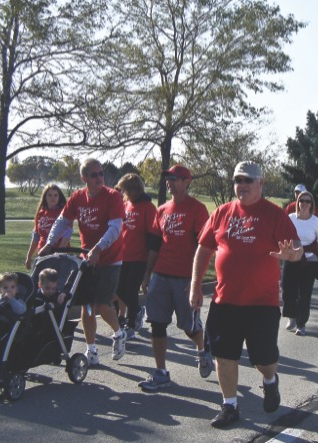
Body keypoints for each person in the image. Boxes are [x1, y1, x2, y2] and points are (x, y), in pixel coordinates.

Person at [189, 161, 303, 428]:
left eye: (248, 180)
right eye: (238, 180)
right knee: (224, 355)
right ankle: (230, 406)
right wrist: (195, 285)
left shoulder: (274, 214)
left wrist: (292, 255)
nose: (242, 185)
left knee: (263, 359)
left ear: (260, 184)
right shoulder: (221, 213)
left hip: (262, 303)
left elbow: (296, 246)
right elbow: (204, 249)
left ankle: (270, 380)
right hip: (225, 300)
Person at [39, 158, 126, 366]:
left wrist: (98, 248)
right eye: (94, 174)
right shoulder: (77, 198)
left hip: (110, 259)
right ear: (84, 178)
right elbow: (63, 221)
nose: (99, 178)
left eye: (101, 173)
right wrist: (50, 243)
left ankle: (118, 333)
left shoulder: (113, 197)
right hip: (87, 259)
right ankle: (91, 349)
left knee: (103, 305)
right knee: (87, 306)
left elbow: (115, 228)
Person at [139, 164, 212, 391]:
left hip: (185, 278)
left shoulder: (197, 210)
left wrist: (197, 281)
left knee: (188, 328)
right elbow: (154, 245)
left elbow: (205, 245)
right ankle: (161, 372)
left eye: (175, 178)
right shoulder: (162, 210)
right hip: (161, 274)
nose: (170, 182)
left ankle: (202, 348)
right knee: (157, 324)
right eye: (168, 178)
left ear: (186, 181)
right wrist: (147, 274)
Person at [282, 191, 318, 336]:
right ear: (297, 202)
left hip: (309, 262)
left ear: (312, 205)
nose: (304, 204)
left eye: (307, 201)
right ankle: (292, 316)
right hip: (292, 259)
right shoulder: (290, 218)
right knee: (287, 290)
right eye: (302, 201)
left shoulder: (315, 222)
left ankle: (301, 323)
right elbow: (280, 235)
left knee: (304, 293)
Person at [114, 173, 156, 340]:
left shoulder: (148, 208)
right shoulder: (125, 205)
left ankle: (131, 323)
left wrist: (149, 265)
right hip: (122, 255)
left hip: (139, 257)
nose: (124, 193)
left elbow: (152, 235)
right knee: (118, 289)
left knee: (131, 290)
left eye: (126, 190)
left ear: (134, 189)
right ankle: (136, 310)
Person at [25, 184, 71, 269]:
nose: (53, 198)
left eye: (55, 195)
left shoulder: (64, 213)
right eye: (49, 195)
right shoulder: (41, 213)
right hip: (42, 255)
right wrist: (29, 257)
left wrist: (59, 254)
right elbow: (36, 236)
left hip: (60, 256)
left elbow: (67, 235)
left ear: (59, 197)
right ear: (45, 197)